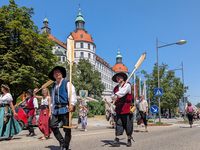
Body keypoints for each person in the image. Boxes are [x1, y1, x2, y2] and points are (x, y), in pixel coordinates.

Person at [49, 66, 77, 150]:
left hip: (65, 108)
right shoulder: (54, 85)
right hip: (56, 109)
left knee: (67, 129)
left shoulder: (67, 83)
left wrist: (72, 104)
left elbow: (72, 94)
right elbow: (53, 98)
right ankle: (61, 141)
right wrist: (51, 109)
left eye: (59, 72)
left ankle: (65, 146)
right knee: (53, 125)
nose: (57, 73)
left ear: (61, 74)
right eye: (55, 73)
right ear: (53, 75)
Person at [109, 72, 133, 147]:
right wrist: (114, 97)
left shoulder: (127, 85)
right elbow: (112, 95)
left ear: (122, 78)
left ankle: (129, 139)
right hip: (119, 108)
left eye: (119, 77)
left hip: (126, 108)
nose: (118, 79)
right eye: (117, 78)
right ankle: (117, 140)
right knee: (118, 124)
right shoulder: (116, 88)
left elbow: (123, 92)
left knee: (128, 125)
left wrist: (117, 95)